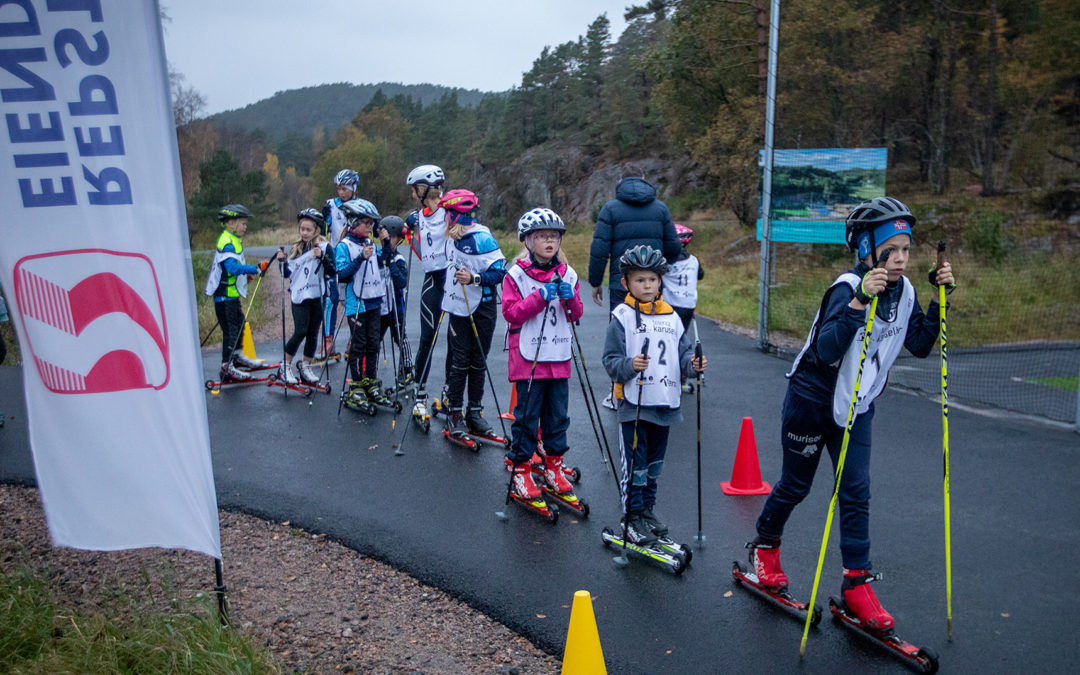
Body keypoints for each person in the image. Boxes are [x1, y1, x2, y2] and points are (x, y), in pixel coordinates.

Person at [746, 196, 956, 631]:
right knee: (796, 486)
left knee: (856, 491)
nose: (900, 259)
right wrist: (860, 302)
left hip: (858, 405)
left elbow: (918, 343)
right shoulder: (846, 287)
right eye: (890, 249)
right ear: (865, 248)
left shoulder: (906, 290)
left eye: (906, 250)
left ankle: (856, 584)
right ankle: (764, 548)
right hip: (812, 399)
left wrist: (938, 299)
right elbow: (825, 351)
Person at [602, 245, 707, 545]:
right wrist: (629, 365)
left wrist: (694, 364)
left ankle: (647, 510)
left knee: (654, 465)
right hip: (634, 404)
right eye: (639, 280)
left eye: (652, 280)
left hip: (665, 402)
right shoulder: (621, 316)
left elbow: (683, 355)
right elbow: (610, 361)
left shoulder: (672, 316)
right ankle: (631, 517)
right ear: (626, 284)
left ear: (660, 281)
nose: (647, 286)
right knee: (635, 465)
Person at [501, 208, 584, 500]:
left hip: (558, 353)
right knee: (527, 415)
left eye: (553, 236)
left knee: (557, 415)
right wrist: (540, 297)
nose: (549, 241)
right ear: (528, 241)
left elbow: (576, 314)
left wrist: (568, 296)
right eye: (541, 236)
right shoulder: (516, 275)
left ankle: (553, 465)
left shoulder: (568, 273)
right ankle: (521, 468)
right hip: (529, 356)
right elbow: (511, 314)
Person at [588, 175, 681, 408]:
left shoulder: (610, 209)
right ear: (646, 183)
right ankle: (659, 386)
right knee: (656, 329)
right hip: (652, 282)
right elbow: (673, 247)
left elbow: (599, 248)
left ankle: (618, 393)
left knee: (621, 335)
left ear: (619, 184)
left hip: (624, 284)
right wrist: (658, 268)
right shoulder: (660, 209)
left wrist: (595, 281)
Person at [439, 189, 506, 439]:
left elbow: (501, 274)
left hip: (483, 308)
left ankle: (474, 412)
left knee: (478, 361)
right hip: (458, 308)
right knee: (459, 361)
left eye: (447, 213)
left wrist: (474, 278)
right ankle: (454, 412)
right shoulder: (450, 239)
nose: (445, 218)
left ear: (456, 216)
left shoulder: (482, 238)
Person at [405, 164, 452, 423]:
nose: (413, 195)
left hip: (454, 281)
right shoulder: (417, 216)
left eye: (414, 190)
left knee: (456, 342)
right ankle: (420, 396)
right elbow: (410, 233)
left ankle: (449, 395)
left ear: (423, 189)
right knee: (427, 339)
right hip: (432, 280)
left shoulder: (451, 212)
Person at [203, 204, 271, 381]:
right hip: (224, 296)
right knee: (231, 331)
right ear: (231, 223)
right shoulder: (227, 241)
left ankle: (237, 357)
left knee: (239, 324)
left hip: (230, 295)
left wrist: (244, 276)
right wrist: (255, 269)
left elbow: (230, 270)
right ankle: (227, 367)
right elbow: (231, 267)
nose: (245, 227)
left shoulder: (231, 239)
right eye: (243, 223)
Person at [335, 198, 384, 402]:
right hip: (357, 304)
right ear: (354, 222)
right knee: (359, 344)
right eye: (366, 222)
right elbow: (343, 275)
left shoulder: (370, 243)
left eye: (372, 223)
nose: (369, 227)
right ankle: (356, 384)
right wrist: (360, 258)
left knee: (374, 344)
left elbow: (384, 261)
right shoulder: (344, 246)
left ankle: (370, 381)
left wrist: (386, 242)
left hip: (374, 301)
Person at [280, 208, 335, 385]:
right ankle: (285, 365)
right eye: (302, 229)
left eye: (308, 230)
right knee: (301, 331)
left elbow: (332, 270)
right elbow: (287, 274)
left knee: (313, 333)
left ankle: (306, 366)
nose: (304, 233)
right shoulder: (297, 249)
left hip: (317, 295)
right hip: (299, 296)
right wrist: (282, 261)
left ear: (317, 230)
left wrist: (322, 258)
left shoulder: (325, 247)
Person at [320, 169, 360, 360]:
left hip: (352, 255)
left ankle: (354, 339)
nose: (341, 192)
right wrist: (324, 218)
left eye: (344, 188)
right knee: (330, 299)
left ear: (352, 188)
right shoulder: (331, 204)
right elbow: (325, 229)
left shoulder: (360, 205)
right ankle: (328, 343)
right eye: (338, 188)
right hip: (334, 255)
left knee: (351, 299)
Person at [662, 224, 705, 393]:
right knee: (682, 340)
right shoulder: (694, 260)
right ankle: (682, 378)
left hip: (670, 304)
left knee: (668, 340)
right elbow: (700, 275)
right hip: (688, 305)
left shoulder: (667, 261)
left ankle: (667, 375)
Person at [375, 215, 410, 388]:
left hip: (396, 308)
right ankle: (370, 372)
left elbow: (401, 282)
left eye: (391, 239)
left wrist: (390, 261)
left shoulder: (398, 259)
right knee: (374, 341)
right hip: (379, 307)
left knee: (401, 339)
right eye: (386, 238)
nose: (388, 241)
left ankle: (408, 370)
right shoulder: (376, 255)